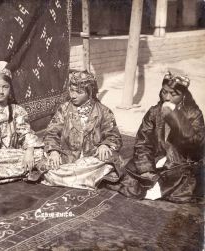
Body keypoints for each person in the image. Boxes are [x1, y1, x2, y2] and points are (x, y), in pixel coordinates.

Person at [108, 72, 204, 203]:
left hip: (180, 163)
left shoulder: (194, 114)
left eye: (173, 94)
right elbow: (143, 142)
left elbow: (196, 145)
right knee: (127, 177)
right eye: (164, 92)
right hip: (156, 159)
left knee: (179, 187)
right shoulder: (154, 112)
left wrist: (177, 119)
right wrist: (145, 169)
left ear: (184, 96)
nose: (167, 98)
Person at [41, 70, 122, 189]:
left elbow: (114, 136)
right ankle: (84, 179)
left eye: (79, 92)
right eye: (71, 90)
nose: (73, 95)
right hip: (67, 157)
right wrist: (54, 151)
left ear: (89, 93)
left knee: (110, 160)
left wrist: (105, 145)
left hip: (91, 160)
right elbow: (51, 133)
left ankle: (70, 177)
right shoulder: (64, 109)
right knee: (44, 162)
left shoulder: (104, 111)